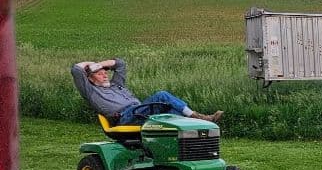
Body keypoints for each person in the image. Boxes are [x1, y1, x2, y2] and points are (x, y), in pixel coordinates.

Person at [71, 58, 222, 125]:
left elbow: (120, 64)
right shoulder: (91, 91)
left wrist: (99, 64)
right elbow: (76, 70)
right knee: (162, 95)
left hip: (139, 110)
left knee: (174, 112)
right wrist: (90, 66)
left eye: (105, 72)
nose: (104, 75)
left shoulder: (116, 84)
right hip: (125, 117)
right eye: (99, 74)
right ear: (90, 79)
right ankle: (199, 117)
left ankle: (197, 132)